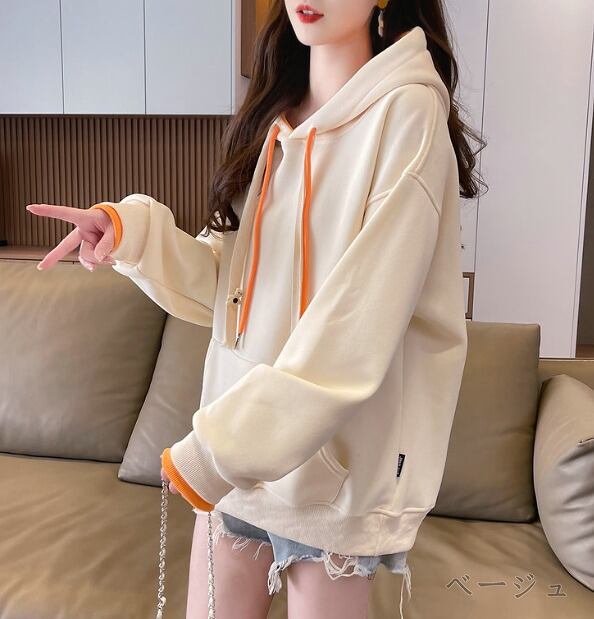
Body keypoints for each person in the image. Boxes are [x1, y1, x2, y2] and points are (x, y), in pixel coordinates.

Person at [26, 1, 487, 617]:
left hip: (334, 475)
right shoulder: (276, 115)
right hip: (241, 461)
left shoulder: (409, 113)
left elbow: (357, 325)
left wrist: (217, 453)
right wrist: (131, 234)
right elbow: (232, 285)